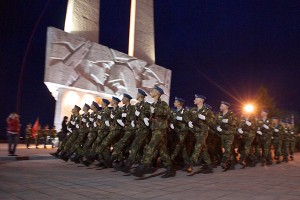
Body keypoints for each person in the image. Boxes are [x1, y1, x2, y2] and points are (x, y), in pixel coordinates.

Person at [132, 85, 175, 178]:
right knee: (162, 149)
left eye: (153, 91)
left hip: (160, 128)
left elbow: (167, 112)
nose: (151, 92)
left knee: (151, 146)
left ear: (157, 93)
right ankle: (170, 168)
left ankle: (142, 167)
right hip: (154, 128)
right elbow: (149, 116)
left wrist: (156, 110)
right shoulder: (152, 105)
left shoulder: (163, 104)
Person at [216, 101, 237, 171]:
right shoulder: (219, 114)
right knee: (228, 150)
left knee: (227, 149)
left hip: (229, 134)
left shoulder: (231, 114)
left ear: (226, 107)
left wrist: (227, 121)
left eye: (222, 106)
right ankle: (232, 163)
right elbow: (216, 122)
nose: (220, 107)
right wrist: (217, 127)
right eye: (220, 106)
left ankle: (224, 162)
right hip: (222, 134)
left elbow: (235, 122)